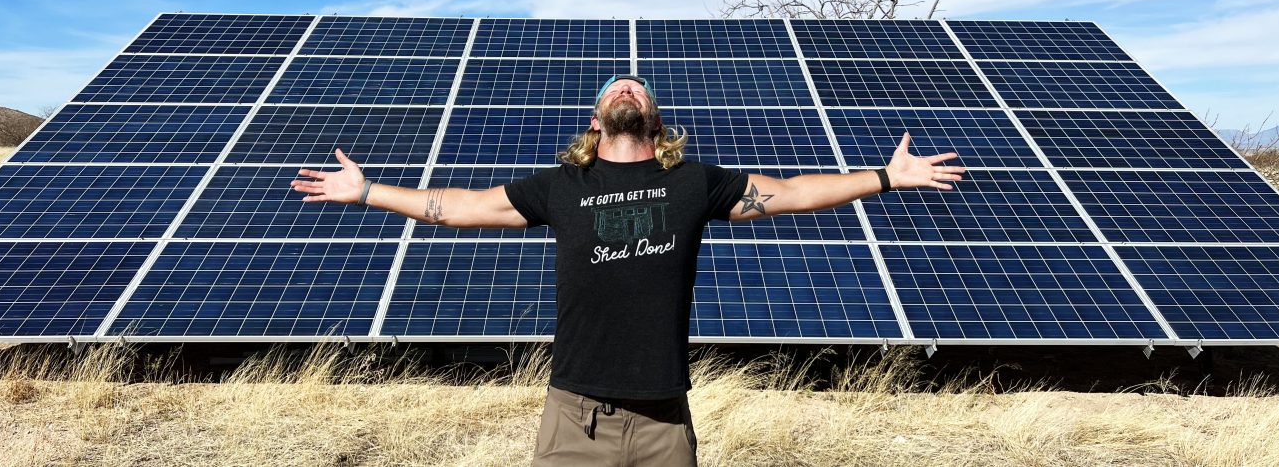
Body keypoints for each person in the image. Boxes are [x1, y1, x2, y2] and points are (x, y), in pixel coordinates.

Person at [291, 74, 964, 466]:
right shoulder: (562, 184)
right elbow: (460, 207)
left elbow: (787, 190)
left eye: (637, 86)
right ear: (595, 121)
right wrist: (369, 190)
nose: (627, 83)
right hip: (571, 418)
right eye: (616, 84)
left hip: (664, 427)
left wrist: (883, 176)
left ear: (653, 118)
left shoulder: (693, 181)